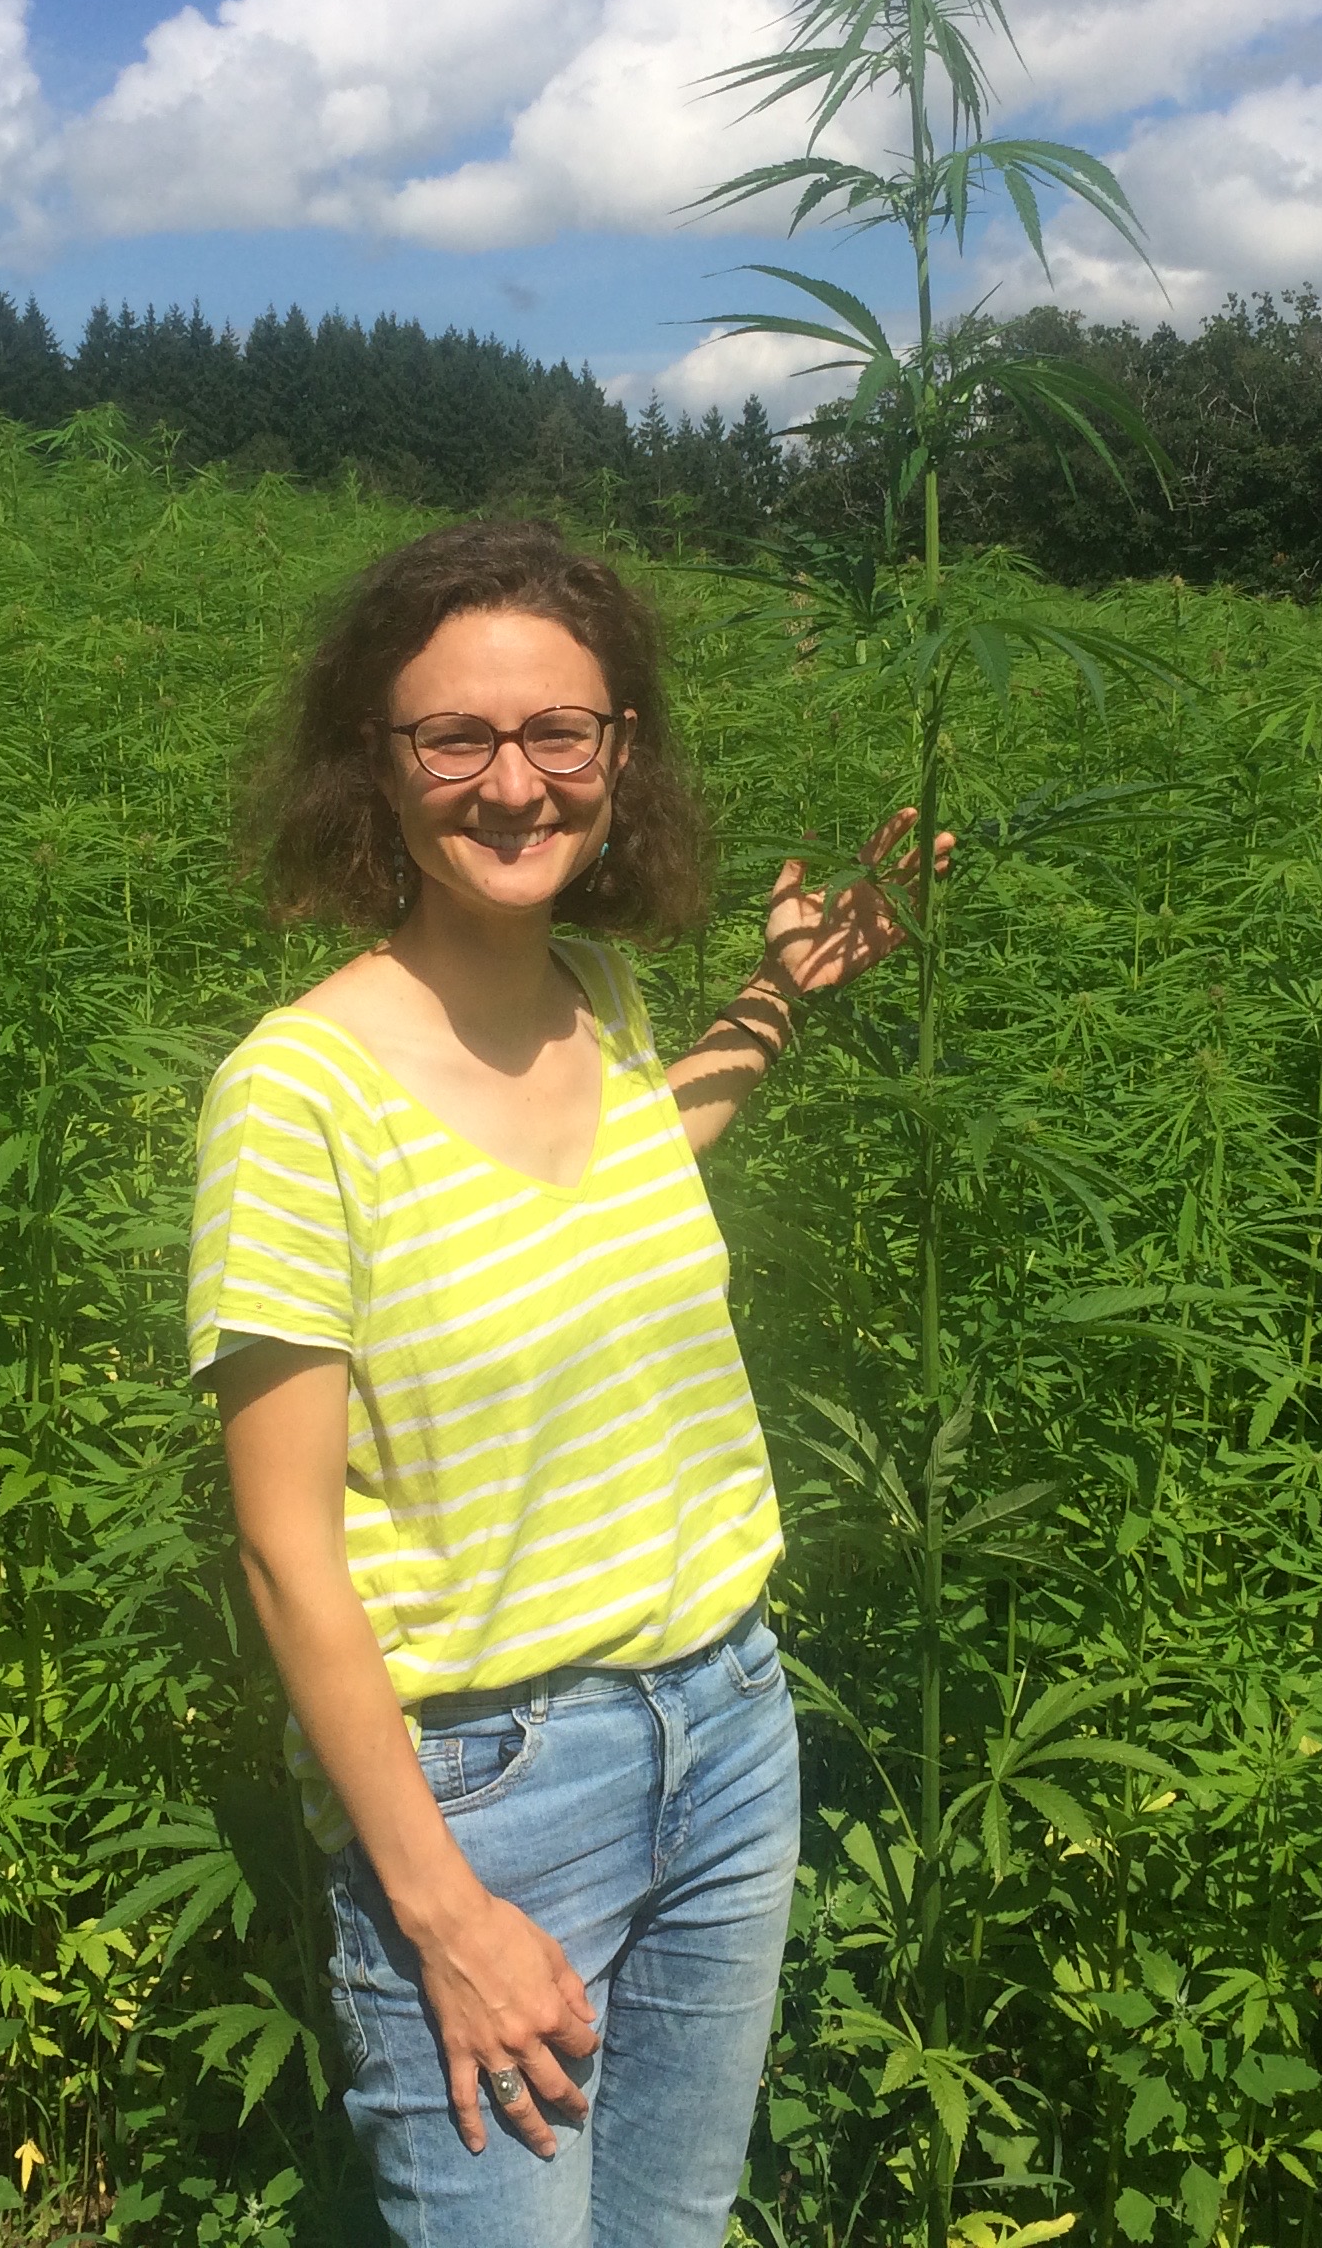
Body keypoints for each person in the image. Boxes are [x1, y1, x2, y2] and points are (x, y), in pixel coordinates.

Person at [187, 521, 940, 2247]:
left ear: (620, 757)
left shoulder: (598, 996)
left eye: (561, 735)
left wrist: (776, 998)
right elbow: (285, 1553)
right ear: (371, 767)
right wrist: (441, 1910)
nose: (512, 784)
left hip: (731, 1724)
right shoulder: (297, 1096)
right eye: (455, 738)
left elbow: (617, 1182)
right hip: (489, 1791)